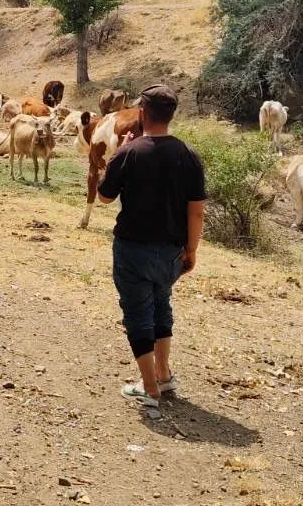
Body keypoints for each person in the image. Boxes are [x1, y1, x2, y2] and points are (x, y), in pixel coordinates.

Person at [94, 84, 206, 407]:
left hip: (132, 251)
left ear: (142, 113)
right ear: (171, 116)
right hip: (171, 252)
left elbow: (103, 197)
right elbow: (196, 210)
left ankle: (149, 387)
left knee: (138, 314)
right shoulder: (188, 155)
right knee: (161, 305)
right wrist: (192, 250)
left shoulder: (129, 153)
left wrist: (116, 155)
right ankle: (164, 375)